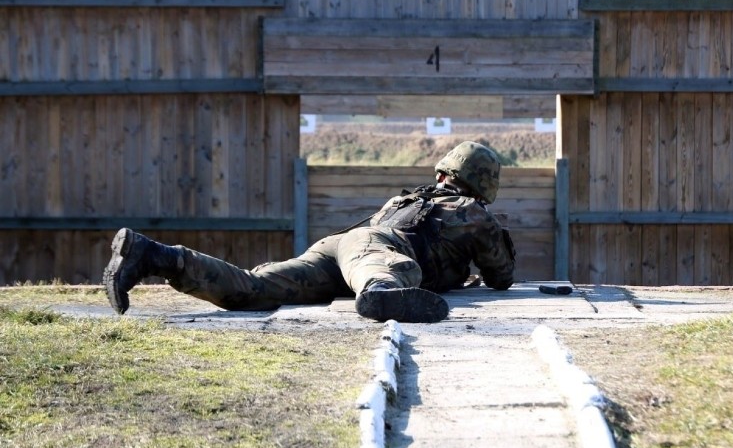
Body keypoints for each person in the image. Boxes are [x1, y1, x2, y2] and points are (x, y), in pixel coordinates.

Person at [103, 141, 515, 323]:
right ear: (483, 184)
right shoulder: (471, 212)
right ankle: (380, 295)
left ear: (443, 172)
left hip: (340, 249)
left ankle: (155, 255)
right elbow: (502, 276)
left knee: (251, 289)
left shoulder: (404, 199)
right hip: (374, 252)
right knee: (393, 274)